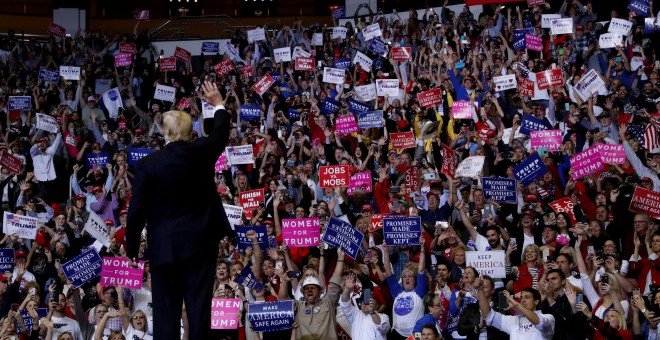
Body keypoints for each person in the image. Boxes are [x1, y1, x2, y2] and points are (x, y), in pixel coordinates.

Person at [125, 80, 232, 340]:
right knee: (198, 310)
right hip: (200, 245)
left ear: (164, 132)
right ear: (189, 132)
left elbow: (136, 210)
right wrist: (218, 104)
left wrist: (131, 250)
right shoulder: (201, 152)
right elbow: (220, 133)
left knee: (166, 314)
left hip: (164, 248)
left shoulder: (148, 165)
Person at [476, 280, 555, 340]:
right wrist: (480, 290)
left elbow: (538, 322)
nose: (523, 300)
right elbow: (488, 315)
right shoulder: (513, 320)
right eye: (521, 298)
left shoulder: (548, 317)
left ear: (536, 301)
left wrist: (517, 305)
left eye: (527, 297)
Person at [340, 272, 390, 340]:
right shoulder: (355, 315)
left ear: (377, 305)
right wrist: (347, 289)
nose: (365, 302)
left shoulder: (383, 317)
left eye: (369, 300)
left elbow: (384, 328)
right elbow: (344, 304)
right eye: (363, 300)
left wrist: (372, 312)